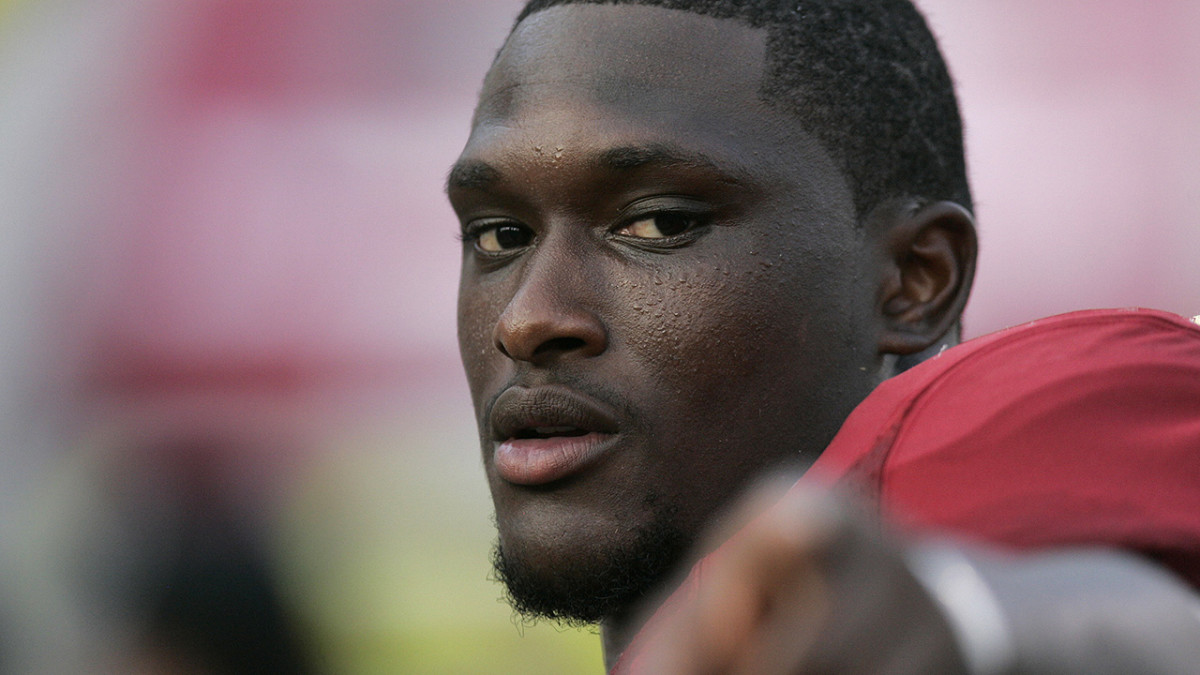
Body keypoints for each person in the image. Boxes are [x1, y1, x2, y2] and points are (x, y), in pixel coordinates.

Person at [447, 0, 1200, 671]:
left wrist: (965, 621)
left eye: (660, 223)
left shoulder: (983, 436)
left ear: (913, 278)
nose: (527, 319)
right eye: (499, 234)